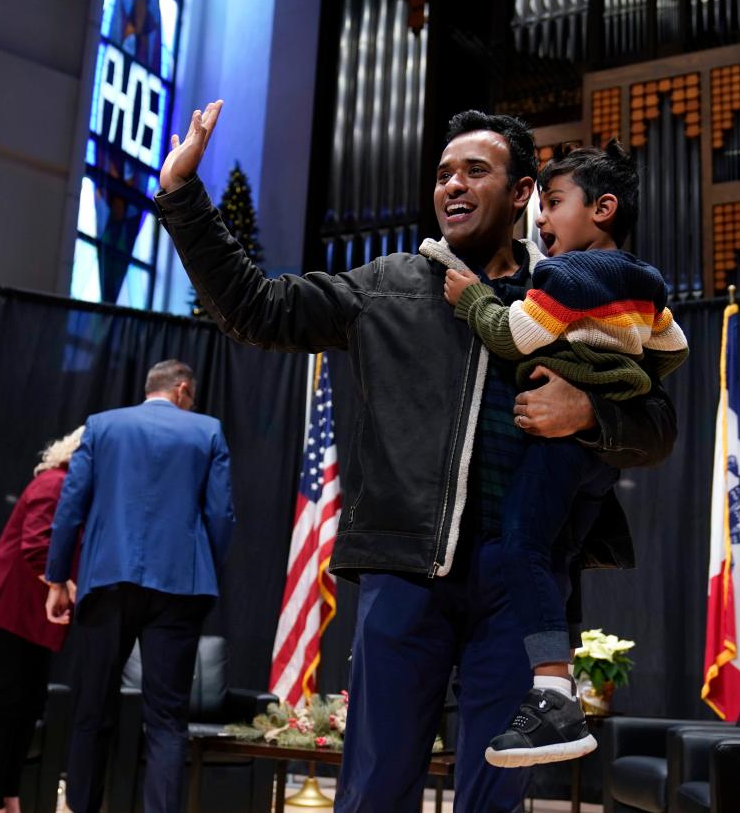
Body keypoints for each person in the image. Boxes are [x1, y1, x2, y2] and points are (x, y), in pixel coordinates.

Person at [154, 100, 676, 811]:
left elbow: (657, 425)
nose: (452, 186)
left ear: (523, 192)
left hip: (521, 583)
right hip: (407, 573)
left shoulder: (574, 288)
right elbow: (254, 308)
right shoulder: (387, 285)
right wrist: (184, 196)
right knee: (375, 790)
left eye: (475, 170)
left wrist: (591, 411)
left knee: (494, 797)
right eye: (442, 175)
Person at [441, 141, 688, 767]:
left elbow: (512, 335)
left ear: (602, 208)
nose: (540, 221)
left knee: (519, 546)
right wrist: (620, 372)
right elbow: (674, 350)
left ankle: (553, 693)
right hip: (599, 462)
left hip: (560, 450)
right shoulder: (646, 279)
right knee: (553, 557)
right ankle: (556, 689)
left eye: (553, 204)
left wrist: (473, 299)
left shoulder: (565, 275)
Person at [43, 360, 235, 813]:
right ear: (183, 389)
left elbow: (71, 506)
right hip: (180, 587)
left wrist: (56, 577)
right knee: (167, 719)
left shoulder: (102, 426)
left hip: (107, 580)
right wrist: (207, 565)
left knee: (91, 710)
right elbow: (221, 516)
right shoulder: (206, 432)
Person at [0, 427, 84, 813]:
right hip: (8, 609)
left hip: (33, 617)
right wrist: (66, 585)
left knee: (29, 706)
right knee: (9, 707)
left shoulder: (76, 492)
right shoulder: (54, 484)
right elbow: (36, 547)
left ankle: (8, 797)